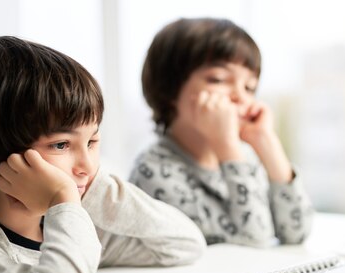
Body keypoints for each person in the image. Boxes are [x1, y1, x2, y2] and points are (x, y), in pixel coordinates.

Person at [0, 36, 205, 273]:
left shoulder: (64, 227)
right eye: (61, 145)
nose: (87, 165)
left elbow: (184, 243)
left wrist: (95, 191)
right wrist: (63, 197)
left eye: (93, 141)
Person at [130, 18, 313, 247]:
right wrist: (227, 146)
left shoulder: (245, 158)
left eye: (249, 87)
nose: (241, 97)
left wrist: (267, 143)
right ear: (169, 88)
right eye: (219, 79)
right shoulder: (154, 171)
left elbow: (298, 232)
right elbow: (254, 243)